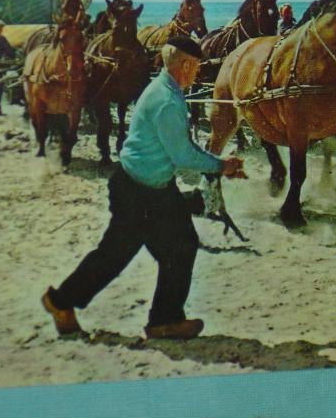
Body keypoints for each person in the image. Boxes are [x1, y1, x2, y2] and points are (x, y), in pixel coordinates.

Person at [41, 36, 246, 340]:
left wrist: (217, 164)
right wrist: (221, 165)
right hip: (137, 193)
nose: (197, 73)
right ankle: (62, 303)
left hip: (154, 188)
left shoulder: (164, 89)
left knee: (179, 246)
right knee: (117, 255)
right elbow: (182, 155)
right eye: (196, 67)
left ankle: (163, 320)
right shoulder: (167, 101)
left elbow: (180, 147)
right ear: (184, 65)